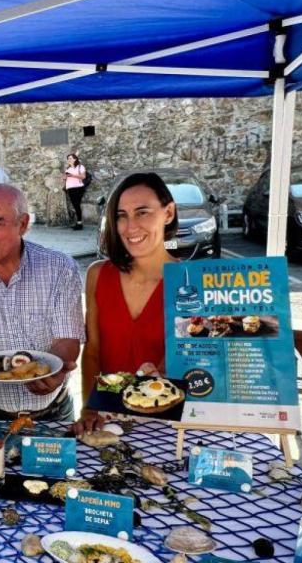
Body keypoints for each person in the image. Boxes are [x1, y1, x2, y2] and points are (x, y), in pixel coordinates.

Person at [0, 184, 84, 420]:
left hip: (53, 413)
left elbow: (68, 338)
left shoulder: (59, 268)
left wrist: (54, 368)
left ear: (23, 224)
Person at [75, 172, 177, 434]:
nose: (130, 227)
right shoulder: (98, 275)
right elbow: (93, 351)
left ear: (168, 213)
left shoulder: (192, 283)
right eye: (122, 215)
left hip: (167, 420)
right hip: (107, 416)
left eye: (142, 212)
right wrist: (88, 409)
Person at [64, 153, 87, 230]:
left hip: (78, 188)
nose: (69, 160)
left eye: (70, 158)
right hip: (70, 188)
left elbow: (83, 177)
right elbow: (65, 178)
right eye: (68, 159)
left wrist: (72, 175)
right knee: (75, 205)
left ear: (75, 159)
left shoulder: (80, 167)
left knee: (77, 205)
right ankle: (78, 222)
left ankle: (79, 223)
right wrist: (64, 177)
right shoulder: (68, 169)